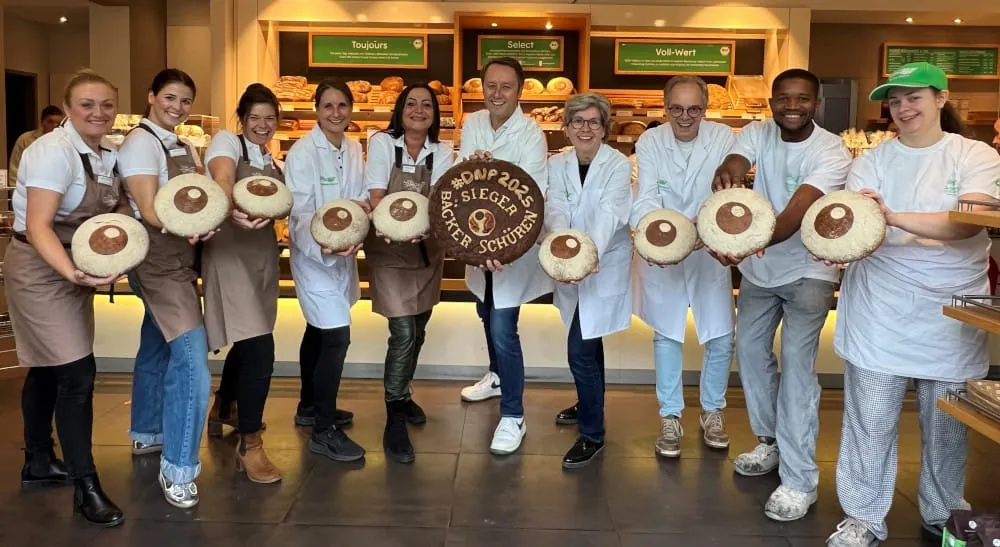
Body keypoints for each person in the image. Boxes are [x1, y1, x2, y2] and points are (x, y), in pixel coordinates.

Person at [826, 62, 1000, 547]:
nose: (903, 108)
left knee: (947, 428)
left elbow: (966, 224)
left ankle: (945, 514)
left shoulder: (975, 154)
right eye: (894, 100)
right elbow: (859, 225)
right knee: (870, 422)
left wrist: (893, 217)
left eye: (914, 97)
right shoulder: (873, 160)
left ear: (942, 98)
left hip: (950, 310)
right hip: (880, 309)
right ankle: (862, 518)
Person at [709, 68, 852, 522]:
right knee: (750, 352)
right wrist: (728, 173)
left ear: (817, 102)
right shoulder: (756, 131)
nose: (792, 106)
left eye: (802, 99)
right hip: (760, 271)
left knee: (796, 368)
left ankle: (799, 479)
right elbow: (735, 162)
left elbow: (794, 214)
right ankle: (770, 442)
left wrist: (738, 243)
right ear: (771, 101)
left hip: (809, 270)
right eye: (783, 99)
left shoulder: (830, 149)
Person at [5, 69, 124, 526]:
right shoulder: (51, 152)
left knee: (50, 368)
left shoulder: (106, 152)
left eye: (107, 105)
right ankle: (86, 485)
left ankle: (38, 460)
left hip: (76, 269)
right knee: (77, 375)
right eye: (87, 105)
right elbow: (38, 226)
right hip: (41, 269)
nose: (98, 113)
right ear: (68, 108)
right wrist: (73, 271)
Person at [119, 69, 212, 509]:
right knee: (192, 358)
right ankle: (178, 468)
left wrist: (202, 220)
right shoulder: (140, 141)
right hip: (158, 259)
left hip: (180, 256)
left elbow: (195, 195)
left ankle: (146, 432)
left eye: (185, 100)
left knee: (156, 343)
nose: (177, 106)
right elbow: (150, 207)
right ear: (152, 95)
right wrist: (191, 225)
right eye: (170, 97)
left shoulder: (184, 143)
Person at [632, 76, 735, 458]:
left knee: (721, 334)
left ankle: (713, 411)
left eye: (694, 109)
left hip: (711, 247)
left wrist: (703, 231)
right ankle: (670, 416)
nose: (685, 117)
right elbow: (644, 198)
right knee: (667, 334)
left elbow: (729, 191)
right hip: (665, 248)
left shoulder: (724, 138)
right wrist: (668, 235)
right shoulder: (650, 141)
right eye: (676, 108)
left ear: (705, 109)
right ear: (665, 106)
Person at [455, 57, 551, 455]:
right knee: (483, 307)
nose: (497, 94)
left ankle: (514, 415)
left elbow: (529, 195)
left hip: (510, 243)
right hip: (477, 236)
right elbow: (462, 180)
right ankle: (496, 376)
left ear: (520, 90)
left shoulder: (531, 134)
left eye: (506, 87)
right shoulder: (473, 122)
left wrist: (489, 173)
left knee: (501, 326)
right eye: (490, 85)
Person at [200, 83, 285, 483]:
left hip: (262, 256)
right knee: (259, 349)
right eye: (255, 118)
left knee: (252, 334)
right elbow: (221, 178)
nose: (263, 125)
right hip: (231, 251)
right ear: (242, 119)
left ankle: (223, 408)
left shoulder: (269, 155)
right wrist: (229, 205)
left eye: (270, 118)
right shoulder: (226, 142)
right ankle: (250, 445)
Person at [364, 83, 453, 463]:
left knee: (418, 328)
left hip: (427, 251)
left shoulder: (444, 151)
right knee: (401, 331)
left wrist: (422, 228)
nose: (419, 110)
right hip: (388, 247)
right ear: (400, 110)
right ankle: (393, 415)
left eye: (427, 105)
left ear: (435, 113)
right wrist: (403, 226)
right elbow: (376, 196)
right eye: (412, 104)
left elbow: (441, 202)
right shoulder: (383, 143)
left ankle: (403, 393)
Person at [544, 93, 632, 468]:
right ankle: (588, 403)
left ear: (605, 128)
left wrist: (586, 253)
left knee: (580, 349)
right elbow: (556, 207)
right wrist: (567, 251)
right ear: (565, 128)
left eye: (593, 122)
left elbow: (611, 213)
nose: (585, 129)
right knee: (589, 343)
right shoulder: (558, 162)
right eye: (577, 122)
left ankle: (592, 433)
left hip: (603, 261)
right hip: (569, 262)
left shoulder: (617, 165)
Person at [285, 79, 367, 463]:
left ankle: (309, 406)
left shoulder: (353, 148)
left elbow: (361, 197)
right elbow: (298, 211)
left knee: (317, 333)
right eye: (328, 106)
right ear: (316, 110)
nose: (336, 113)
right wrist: (322, 244)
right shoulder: (303, 152)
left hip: (344, 254)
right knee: (336, 337)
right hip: (313, 257)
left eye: (342, 106)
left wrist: (356, 232)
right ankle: (323, 430)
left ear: (351, 110)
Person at [7, 105, 64, 186]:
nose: (54, 126)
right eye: (50, 122)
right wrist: (16, 192)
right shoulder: (25, 139)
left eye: (58, 123)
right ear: (42, 122)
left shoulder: (65, 142)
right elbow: (15, 169)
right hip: (28, 189)